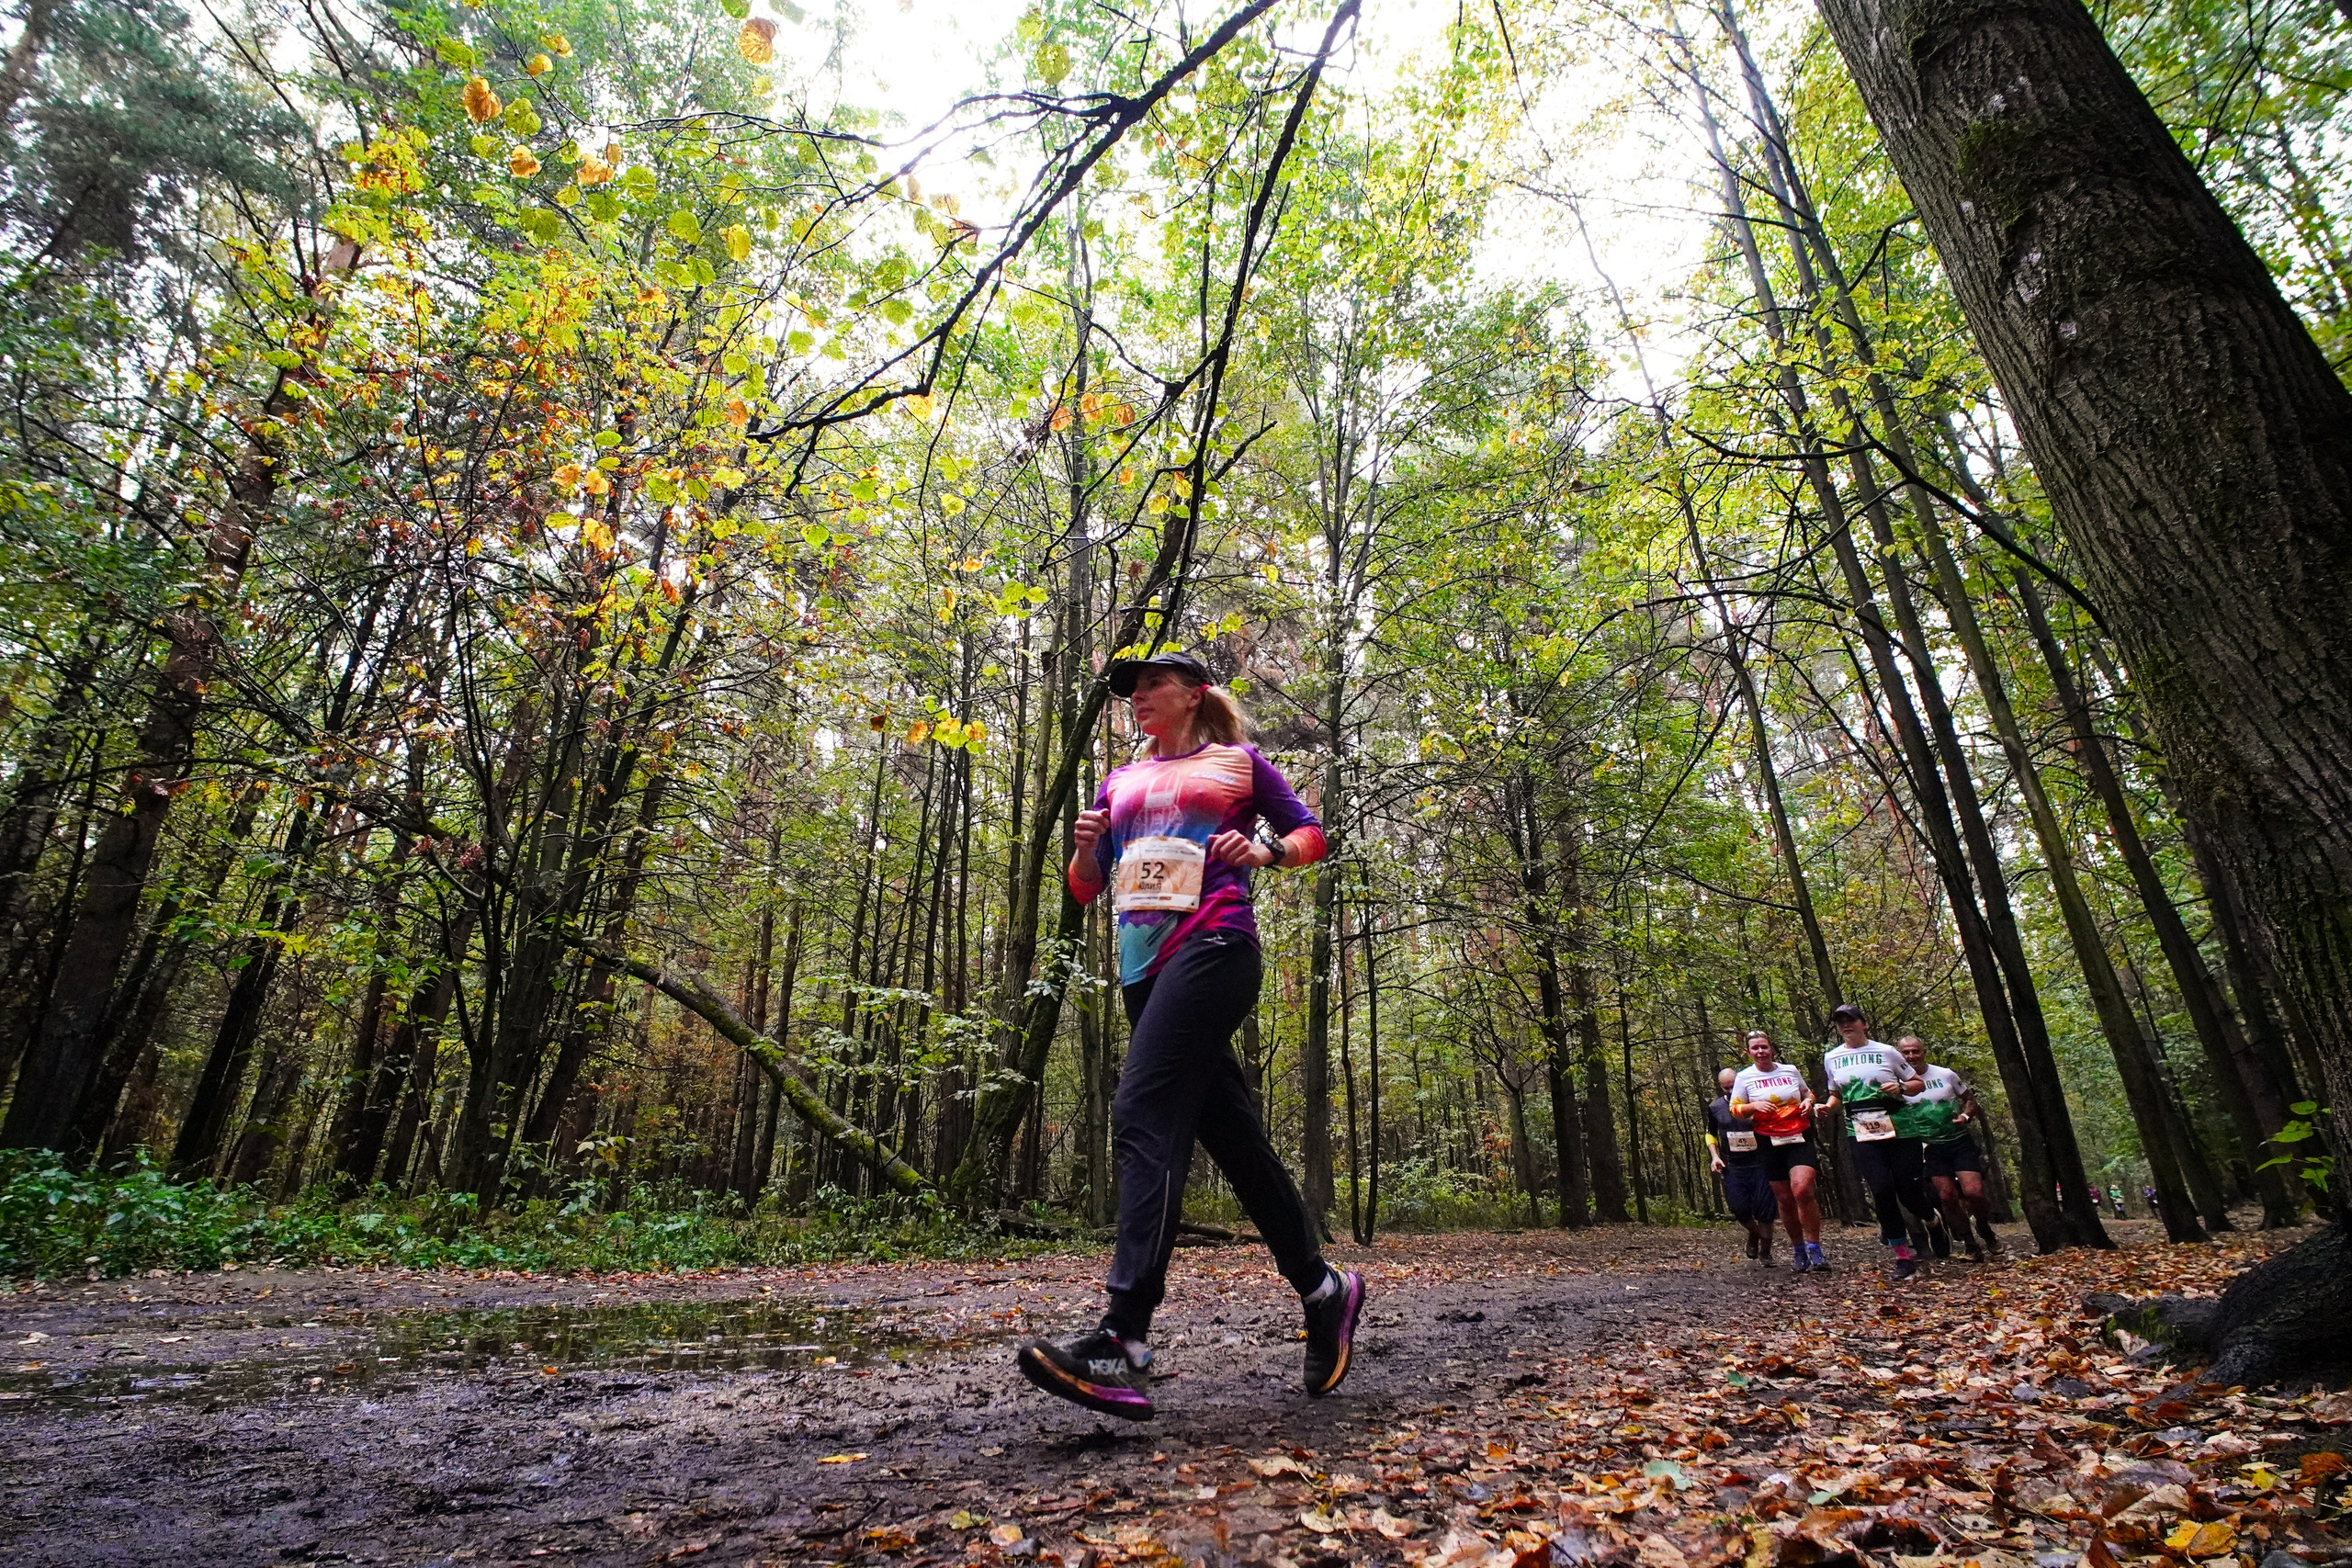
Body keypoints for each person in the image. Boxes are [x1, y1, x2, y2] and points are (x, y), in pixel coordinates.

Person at [1013, 649, 1361, 1422]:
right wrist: (1080, 846)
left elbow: (1311, 833)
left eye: (1151, 683)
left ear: (1193, 692)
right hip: (1143, 973)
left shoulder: (1237, 763)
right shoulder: (1118, 781)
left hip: (1216, 945)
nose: (1137, 695)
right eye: (1130, 689)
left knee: (1142, 1111)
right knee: (1234, 1140)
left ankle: (1122, 1338)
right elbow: (1088, 884)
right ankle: (1322, 1287)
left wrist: (1264, 850)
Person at [1821, 1003, 1936, 1281]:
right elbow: (1836, 1094)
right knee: (1882, 1190)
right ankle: (1903, 1256)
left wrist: (1901, 1087)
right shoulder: (1832, 1057)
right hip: (1860, 1131)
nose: (1846, 1026)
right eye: (1840, 1023)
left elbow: (1917, 1083)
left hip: (1900, 1128)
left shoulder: (1887, 1051)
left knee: (1909, 1192)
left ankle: (1932, 1221)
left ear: (1864, 1024)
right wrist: (1827, 1107)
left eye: (1851, 1020)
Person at [1893, 1034, 2000, 1261]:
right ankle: (1969, 1243)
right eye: (1906, 1053)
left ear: (1924, 1052)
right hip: (1930, 1147)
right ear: (1899, 1056)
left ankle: (1983, 1227)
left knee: (1974, 1192)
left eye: (1915, 1051)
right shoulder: (1897, 1084)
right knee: (1947, 1196)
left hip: (1959, 1142)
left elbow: (1970, 1101)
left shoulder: (1946, 1074)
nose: (1911, 1056)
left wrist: (1964, 1116)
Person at [1729, 1032, 1826, 1271]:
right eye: (1755, 1049)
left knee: (1802, 1189)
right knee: (1784, 1199)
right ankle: (1798, 1250)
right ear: (1749, 1052)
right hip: (1768, 1140)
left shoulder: (1789, 1070)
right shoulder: (1744, 1077)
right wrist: (1753, 1105)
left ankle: (1815, 1248)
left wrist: (1808, 1102)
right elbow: (1735, 1109)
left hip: (1799, 1135)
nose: (1760, 1052)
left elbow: (1807, 1093)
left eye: (1764, 1047)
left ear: (1772, 1048)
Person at [1704, 1066, 1777, 1263]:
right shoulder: (1715, 1107)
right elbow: (1710, 1133)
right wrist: (1715, 1156)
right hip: (1733, 1165)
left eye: (1734, 1086)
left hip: (1760, 1163)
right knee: (1739, 1208)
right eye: (1726, 1088)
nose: (1730, 1091)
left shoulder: (1758, 1103)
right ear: (1721, 1087)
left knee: (1766, 1211)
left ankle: (1766, 1252)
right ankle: (1753, 1233)